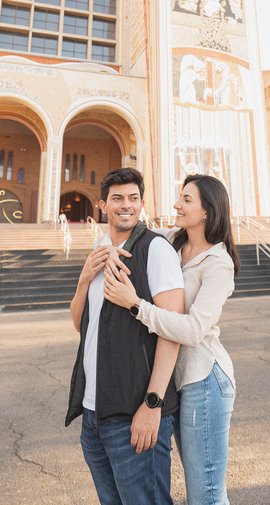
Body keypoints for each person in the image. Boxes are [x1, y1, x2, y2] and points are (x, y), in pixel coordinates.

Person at [103, 174, 240, 505]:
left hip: (204, 381)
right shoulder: (172, 243)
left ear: (208, 211)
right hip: (176, 384)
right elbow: (132, 238)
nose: (177, 204)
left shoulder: (219, 264)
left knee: (206, 492)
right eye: (179, 197)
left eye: (187, 200)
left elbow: (193, 331)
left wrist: (136, 305)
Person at [67, 168, 185, 505]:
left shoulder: (155, 249)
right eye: (117, 198)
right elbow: (80, 325)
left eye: (133, 198)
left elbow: (172, 329)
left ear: (142, 203)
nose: (126, 205)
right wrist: (83, 279)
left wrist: (153, 404)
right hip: (94, 416)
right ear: (102, 204)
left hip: (136, 415)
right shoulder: (99, 249)